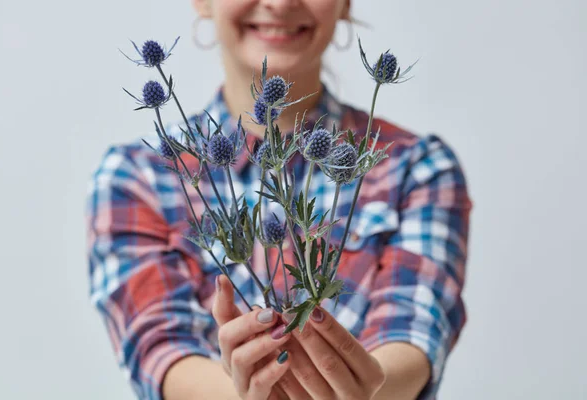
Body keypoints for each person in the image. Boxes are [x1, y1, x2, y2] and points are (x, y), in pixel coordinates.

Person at [87, 0, 473, 399]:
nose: (280, 3)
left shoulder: (417, 166)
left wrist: (365, 391)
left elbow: (414, 329)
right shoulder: (136, 175)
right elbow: (159, 349)